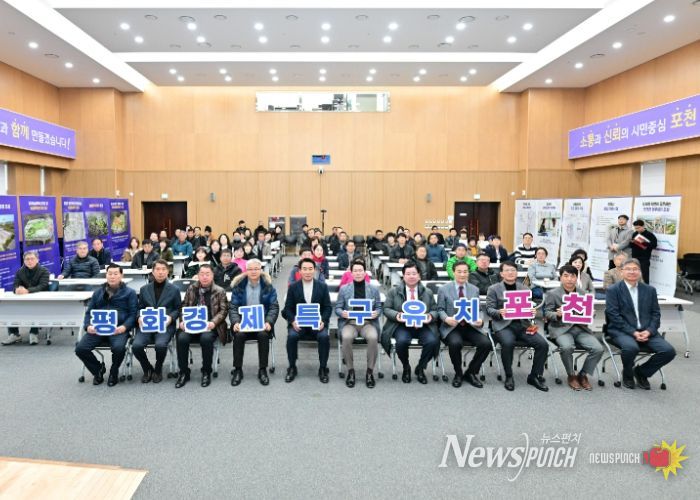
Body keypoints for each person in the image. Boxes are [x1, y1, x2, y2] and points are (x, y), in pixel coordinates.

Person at [605, 258, 676, 389]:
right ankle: (627, 374)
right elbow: (613, 316)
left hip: (647, 331)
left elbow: (656, 314)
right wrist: (633, 332)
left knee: (669, 351)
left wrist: (649, 331)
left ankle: (641, 372)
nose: (632, 272)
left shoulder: (650, 290)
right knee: (631, 348)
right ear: (621, 272)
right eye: (628, 269)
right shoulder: (613, 290)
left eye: (635, 269)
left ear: (640, 272)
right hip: (621, 331)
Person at [486, 261, 549, 392]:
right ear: (501, 273)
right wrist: (499, 312)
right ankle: (509, 376)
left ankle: (534, 376)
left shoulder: (525, 289)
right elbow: (489, 309)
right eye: (507, 270)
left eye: (513, 270)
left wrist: (532, 311)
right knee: (508, 343)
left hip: (522, 325)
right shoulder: (494, 289)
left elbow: (528, 308)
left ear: (517, 273)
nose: (510, 272)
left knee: (542, 344)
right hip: (503, 325)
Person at [75, 264, 138, 386]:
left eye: (115, 274)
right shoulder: (98, 292)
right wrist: (88, 326)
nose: (112, 276)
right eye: (110, 274)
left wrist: (124, 327)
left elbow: (133, 314)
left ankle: (114, 371)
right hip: (98, 329)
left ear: (121, 276)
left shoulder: (129, 293)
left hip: (117, 329)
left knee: (119, 348)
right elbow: (89, 313)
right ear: (106, 275)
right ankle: (98, 370)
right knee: (80, 349)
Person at [543, 265, 604, 391]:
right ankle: (571, 375)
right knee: (567, 347)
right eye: (566, 276)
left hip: (580, 329)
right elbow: (547, 313)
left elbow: (588, 313)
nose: (569, 279)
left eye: (572, 276)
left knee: (598, 349)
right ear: (560, 278)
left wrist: (591, 313)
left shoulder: (583, 293)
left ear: (577, 278)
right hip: (560, 328)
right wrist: (557, 314)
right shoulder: (552, 294)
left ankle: (583, 375)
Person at [381, 261, 439, 384]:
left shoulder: (427, 292)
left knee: (432, 341)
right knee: (401, 341)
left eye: (414, 273)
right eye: (408, 274)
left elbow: (435, 310)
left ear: (419, 275)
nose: (411, 276)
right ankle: (406, 366)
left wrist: (430, 316)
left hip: (422, 325)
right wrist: (397, 315)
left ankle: (421, 368)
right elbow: (386, 309)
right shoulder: (394, 291)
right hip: (401, 325)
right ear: (403, 276)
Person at [437, 261, 492, 388]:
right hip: (452, 326)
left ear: (468, 273)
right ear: (453, 272)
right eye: (459, 272)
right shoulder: (444, 289)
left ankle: (471, 372)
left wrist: (480, 320)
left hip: (470, 325)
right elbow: (440, 309)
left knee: (486, 344)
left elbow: (478, 309)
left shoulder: (474, 289)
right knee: (455, 343)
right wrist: (446, 319)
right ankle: (458, 373)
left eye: (465, 272)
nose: (462, 274)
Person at [176, 264, 229, 388]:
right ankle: (184, 372)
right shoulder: (191, 288)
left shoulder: (220, 291)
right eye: (202, 274)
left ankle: (206, 371)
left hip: (209, 325)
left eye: (207, 274)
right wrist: (182, 321)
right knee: (181, 338)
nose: (205, 277)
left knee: (206, 339)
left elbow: (223, 311)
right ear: (198, 276)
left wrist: (213, 322)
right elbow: (183, 307)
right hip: (191, 324)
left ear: (212, 275)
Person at [229, 259, 279, 386]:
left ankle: (262, 370)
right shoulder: (238, 286)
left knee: (263, 335)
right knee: (239, 336)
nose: (253, 271)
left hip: (261, 324)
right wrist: (235, 322)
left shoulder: (268, 287)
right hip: (243, 324)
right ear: (246, 271)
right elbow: (233, 307)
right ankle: (238, 369)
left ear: (261, 270)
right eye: (250, 269)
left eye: (256, 269)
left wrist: (269, 322)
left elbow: (273, 307)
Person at [282, 258, 332, 383]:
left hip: (317, 324)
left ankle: (323, 368)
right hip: (299, 324)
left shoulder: (322, 287)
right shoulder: (293, 287)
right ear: (299, 271)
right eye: (304, 269)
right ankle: (292, 367)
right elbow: (288, 308)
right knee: (292, 336)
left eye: (310, 269)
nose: (308, 272)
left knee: (324, 337)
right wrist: (292, 321)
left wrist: (323, 321)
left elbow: (327, 307)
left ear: (315, 270)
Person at [132, 259, 182, 383]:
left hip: (165, 325)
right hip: (147, 325)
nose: (160, 272)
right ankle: (147, 368)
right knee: (136, 346)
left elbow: (178, 309)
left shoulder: (174, 289)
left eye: (163, 269)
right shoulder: (144, 289)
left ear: (168, 271)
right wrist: (139, 317)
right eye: (158, 269)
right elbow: (139, 308)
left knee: (160, 345)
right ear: (153, 272)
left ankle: (158, 368)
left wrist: (171, 318)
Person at [334, 260, 382, 388]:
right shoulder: (344, 289)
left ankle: (370, 372)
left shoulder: (373, 289)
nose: (358, 273)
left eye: (360, 270)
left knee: (373, 337)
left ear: (365, 272)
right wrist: (342, 313)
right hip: (350, 322)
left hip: (368, 323)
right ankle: (350, 371)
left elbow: (379, 307)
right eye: (355, 271)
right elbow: (337, 308)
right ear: (351, 272)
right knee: (346, 337)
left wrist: (376, 313)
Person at [1, 251, 50, 346]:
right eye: (27, 259)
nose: (30, 261)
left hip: (39, 299)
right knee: (10, 308)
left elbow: (42, 286)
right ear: (24, 261)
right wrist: (17, 290)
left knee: (35, 308)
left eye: (32, 259)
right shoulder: (20, 271)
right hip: (23, 298)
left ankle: (34, 333)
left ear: (37, 260)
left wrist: (27, 290)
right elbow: (15, 285)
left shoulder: (44, 271)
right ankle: (14, 334)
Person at [630, 219, 657, 284]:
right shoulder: (635, 233)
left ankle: (646, 289)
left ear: (643, 226)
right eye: (635, 228)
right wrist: (631, 242)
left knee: (644, 275)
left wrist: (643, 242)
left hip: (644, 258)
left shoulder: (649, 235)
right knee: (634, 274)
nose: (637, 229)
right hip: (634, 257)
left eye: (638, 228)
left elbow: (654, 245)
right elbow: (631, 246)